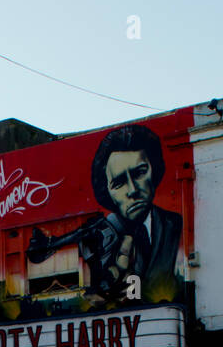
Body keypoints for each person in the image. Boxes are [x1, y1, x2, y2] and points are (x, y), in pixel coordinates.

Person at [27, 123, 182, 306]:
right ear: (106, 191)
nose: (132, 190)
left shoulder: (175, 223)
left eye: (140, 173)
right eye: (119, 183)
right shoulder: (103, 234)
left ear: (154, 170)